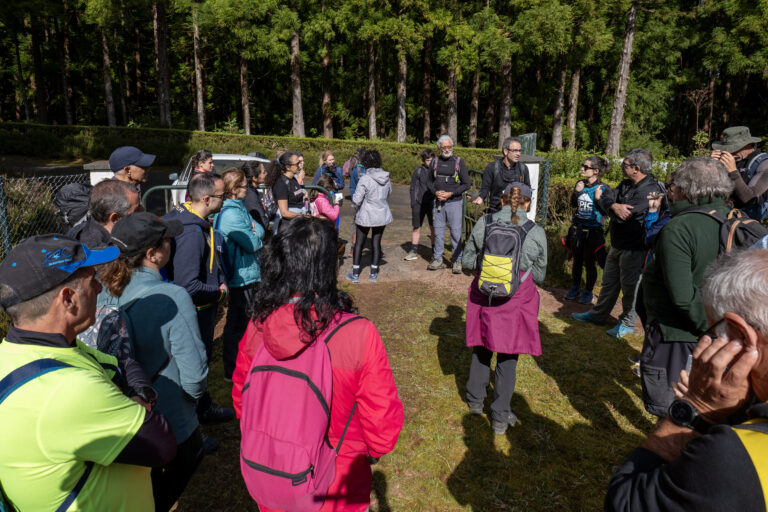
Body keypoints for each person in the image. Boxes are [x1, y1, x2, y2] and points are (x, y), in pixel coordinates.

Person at [231, 216, 404, 512]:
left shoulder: (259, 325)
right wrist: (372, 451)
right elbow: (382, 421)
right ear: (328, 266)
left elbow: (241, 398)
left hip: (273, 475)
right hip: (338, 478)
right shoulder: (357, 334)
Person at [0, 234, 176, 511]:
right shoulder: (67, 389)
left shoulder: (27, 351)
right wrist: (140, 399)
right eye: (91, 279)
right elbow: (161, 445)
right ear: (68, 298)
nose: (98, 287)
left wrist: (137, 393)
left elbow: (118, 364)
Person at [605, 249, 768, 511]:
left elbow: (624, 502)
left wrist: (694, 409)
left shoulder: (732, 456)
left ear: (741, 335)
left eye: (714, 331)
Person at [99, 212, 209, 511]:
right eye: (167, 241)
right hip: (168, 413)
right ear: (153, 253)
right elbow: (194, 373)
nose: (171, 244)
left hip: (115, 411)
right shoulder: (171, 296)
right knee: (187, 458)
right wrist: (192, 400)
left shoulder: (100, 291)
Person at [638, 157, 735, 417]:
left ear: (686, 190)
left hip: (677, 338)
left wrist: (713, 328)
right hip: (726, 340)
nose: (671, 192)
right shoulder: (737, 222)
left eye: (673, 186)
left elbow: (682, 297)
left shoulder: (679, 228)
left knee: (673, 412)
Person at [461, 182, 547, 435]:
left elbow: (467, 261)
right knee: (508, 356)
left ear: (502, 199)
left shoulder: (484, 223)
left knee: (482, 346)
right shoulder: (535, 231)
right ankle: (500, 417)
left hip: (485, 295)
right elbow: (540, 276)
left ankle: (475, 401)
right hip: (516, 300)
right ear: (528, 203)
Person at [163, 172, 233, 424]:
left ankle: (201, 406)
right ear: (206, 198)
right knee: (194, 361)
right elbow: (188, 284)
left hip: (201, 306)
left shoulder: (194, 218)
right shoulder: (191, 233)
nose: (225, 199)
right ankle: (195, 415)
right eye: (222, 195)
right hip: (196, 309)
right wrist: (219, 292)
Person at [572, 148, 666, 338]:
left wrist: (611, 207)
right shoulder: (625, 184)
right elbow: (607, 197)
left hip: (635, 248)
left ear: (636, 168)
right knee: (608, 283)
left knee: (630, 288)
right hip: (617, 244)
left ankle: (627, 323)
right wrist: (614, 205)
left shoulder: (651, 190)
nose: (622, 167)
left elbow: (626, 216)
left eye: (625, 164)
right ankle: (598, 315)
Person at [214, 169, 265, 381]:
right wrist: (255, 232)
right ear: (234, 190)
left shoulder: (239, 208)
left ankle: (242, 364)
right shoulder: (231, 214)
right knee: (237, 324)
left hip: (248, 273)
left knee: (245, 322)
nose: (248, 189)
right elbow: (253, 242)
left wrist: (255, 231)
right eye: (245, 186)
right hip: (240, 277)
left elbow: (259, 230)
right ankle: (232, 369)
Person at [564, 156, 608, 304]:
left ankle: (588, 291)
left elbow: (606, 210)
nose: (582, 169)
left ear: (596, 171)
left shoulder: (602, 188)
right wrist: (577, 192)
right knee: (577, 261)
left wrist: (598, 199)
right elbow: (572, 204)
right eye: (582, 166)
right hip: (577, 230)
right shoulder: (580, 184)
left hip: (593, 231)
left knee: (590, 262)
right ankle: (575, 287)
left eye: (586, 167)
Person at [347, 149, 392, 283]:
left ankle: (355, 275)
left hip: (365, 214)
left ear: (365, 162)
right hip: (381, 213)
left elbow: (356, 199)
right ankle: (373, 274)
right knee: (376, 242)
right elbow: (389, 192)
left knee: (359, 243)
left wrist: (356, 205)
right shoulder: (386, 177)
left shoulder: (365, 178)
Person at [428, 134, 471, 273]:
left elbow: (467, 184)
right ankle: (438, 259)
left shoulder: (459, 162)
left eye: (449, 147)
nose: (447, 149)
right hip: (438, 203)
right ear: (439, 148)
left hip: (455, 202)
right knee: (439, 232)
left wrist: (451, 193)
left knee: (456, 232)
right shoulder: (434, 162)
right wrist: (435, 192)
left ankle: (457, 261)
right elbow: (428, 182)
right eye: (444, 147)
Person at [711, 126, 768, 220]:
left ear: (748, 145)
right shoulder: (733, 158)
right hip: (728, 208)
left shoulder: (764, 164)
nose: (729, 152)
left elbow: (749, 198)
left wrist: (733, 172)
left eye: (733, 148)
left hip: (752, 213)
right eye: (726, 148)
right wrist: (711, 167)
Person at [68, 179, 143, 249]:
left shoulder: (98, 225)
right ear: (115, 218)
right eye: (137, 209)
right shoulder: (96, 250)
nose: (143, 210)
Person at [472, 136, 531, 212]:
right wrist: (480, 198)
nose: (518, 154)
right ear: (506, 151)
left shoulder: (523, 169)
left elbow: (528, 189)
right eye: (515, 151)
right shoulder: (492, 168)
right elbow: (484, 189)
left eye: (520, 151)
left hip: (516, 213)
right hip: (496, 212)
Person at [405, 148, 436, 261]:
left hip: (433, 204)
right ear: (424, 160)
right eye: (428, 160)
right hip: (419, 204)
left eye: (432, 160)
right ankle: (413, 251)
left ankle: (434, 252)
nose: (430, 162)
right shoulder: (418, 171)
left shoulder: (437, 171)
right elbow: (413, 188)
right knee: (416, 227)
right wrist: (414, 203)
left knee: (434, 228)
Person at [271, 151, 307, 235]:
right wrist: (301, 216)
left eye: (300, 162)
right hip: (287, 227)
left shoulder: (293, 179)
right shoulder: (281, 183)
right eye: (297, 163)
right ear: (288, 167)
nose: (300, 165)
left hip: (296, 223)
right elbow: (284, 212)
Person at [242, 160, 272, 234]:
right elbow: (263, 222)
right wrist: (266, 214)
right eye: (263, 172)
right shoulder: (250, 195)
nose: (266, 174)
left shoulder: (252, 191)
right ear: (254, 178)